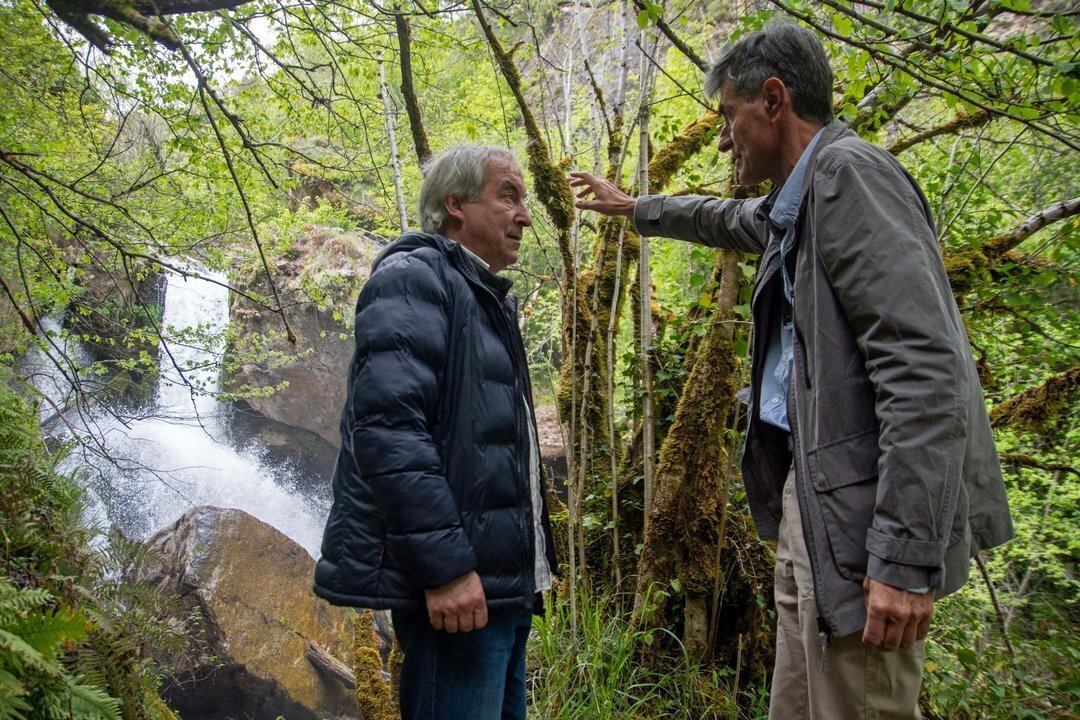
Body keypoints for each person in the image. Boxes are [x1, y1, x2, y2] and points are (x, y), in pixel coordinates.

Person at [570, 23, 1012, 720]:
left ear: (773, 100)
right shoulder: (798, 204)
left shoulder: (849, 178)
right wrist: (636, 209)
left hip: (863, 519)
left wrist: (903, 555)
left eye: (729, 117)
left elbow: (925, 372)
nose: (723, 141)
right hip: (817, 499)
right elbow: (726, 219)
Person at [314, 145, 556, 720]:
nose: (525, 216)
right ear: (455, 204)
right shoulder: (414, 279)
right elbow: (389, 433)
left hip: (499, 592)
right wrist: (447, 570)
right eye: (508, 196)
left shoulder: (483, 297)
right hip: (460, 595)